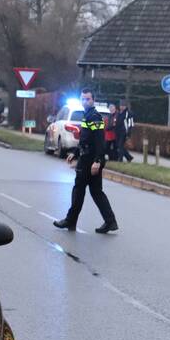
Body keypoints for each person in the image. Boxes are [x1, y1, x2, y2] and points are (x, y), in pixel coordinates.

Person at [53, 88, 118, 234]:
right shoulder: (87, 115)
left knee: (79, 190)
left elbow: (100, 141)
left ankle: (71, 220)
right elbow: (85, 139)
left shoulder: (94, 117)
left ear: (93, 100)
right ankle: (110, 221)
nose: (85, 101)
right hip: (87, 157)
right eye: (83, 98)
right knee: (96, 192)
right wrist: (75, 153)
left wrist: (97, 161)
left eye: (88, 99)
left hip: (90, 160)